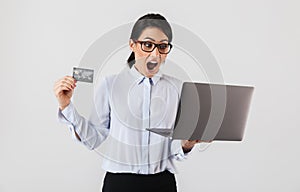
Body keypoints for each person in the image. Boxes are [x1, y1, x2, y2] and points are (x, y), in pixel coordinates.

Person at [54, 13, 204, 192]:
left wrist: (186, 145)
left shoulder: (178, 88)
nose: (155, 54)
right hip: (120, 184)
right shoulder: (110, 85)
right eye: (148, 45)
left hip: (163, 183)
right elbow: (92, 139)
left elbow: (174, 149)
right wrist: (66, 106)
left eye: (162, 46)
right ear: (132, 44)